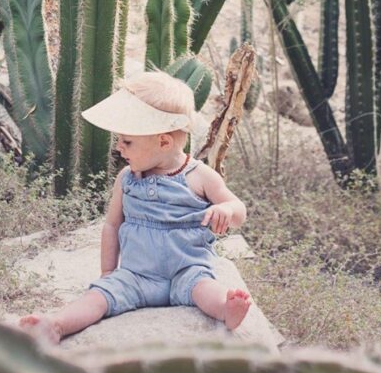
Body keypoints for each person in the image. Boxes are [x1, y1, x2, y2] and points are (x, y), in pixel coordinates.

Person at [20, 70, 252, 343]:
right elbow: (112, 225)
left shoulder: (199, 176)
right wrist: (108, 274)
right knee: (97, 298)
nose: (119, 147)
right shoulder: (127, 179)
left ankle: (226, 309)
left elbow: (238, 209)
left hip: (187, 270)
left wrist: (226, 211)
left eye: (127, 141)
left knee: (205, 289)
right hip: (137, 275)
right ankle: (56, 325)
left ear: (163, 141)